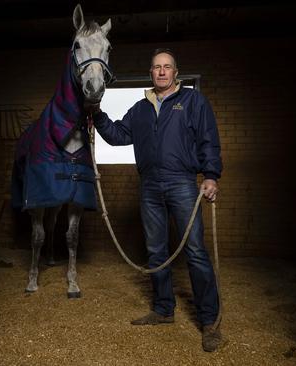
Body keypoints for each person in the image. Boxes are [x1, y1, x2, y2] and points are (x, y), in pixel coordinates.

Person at [88, 48, 223, 352]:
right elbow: (117, 135)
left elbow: (208, 140)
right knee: (156, 251)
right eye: (156, 67)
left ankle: (209, 321)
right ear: (151, 73)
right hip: (149, 186)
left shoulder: (194, 102)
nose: (161, 72)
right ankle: (163, 310)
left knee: (196, 252)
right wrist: (96, 113)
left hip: (183, 184)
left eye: (167, 67)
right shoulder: (139, 108)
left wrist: (211, 176)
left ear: (176, 72)